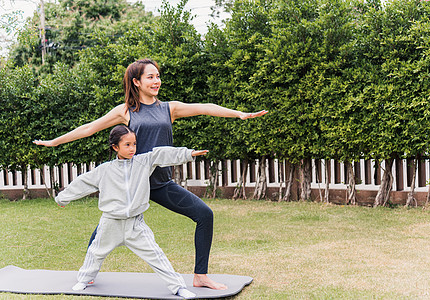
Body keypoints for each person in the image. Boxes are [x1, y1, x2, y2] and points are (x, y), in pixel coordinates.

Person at [34, 58, 267, 290]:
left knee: (204, 215)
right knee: (107, 226)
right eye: (150, 77)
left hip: (160, 183)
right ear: (136, 82)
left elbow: (204, 107)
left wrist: (238, 114)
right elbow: (89, 128)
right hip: (130, 185)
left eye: (157, 76)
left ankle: (200, 276)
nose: (157, 81)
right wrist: (55, 142)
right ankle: (87, 273)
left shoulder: (169, 108)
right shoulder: (125, 111)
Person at [55, 125, 205, 299]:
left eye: (134, 144)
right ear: (115, 147)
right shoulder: (105, 170)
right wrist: (63, 198)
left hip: (135, 224)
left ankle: (178, 287)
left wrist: (188, 154)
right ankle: (84, 279)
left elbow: (162, 154)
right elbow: (83, 182)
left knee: (156, 254)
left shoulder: (143, 162)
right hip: (110, 223)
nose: (132, 148)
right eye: (127, 145)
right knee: (95, 253)